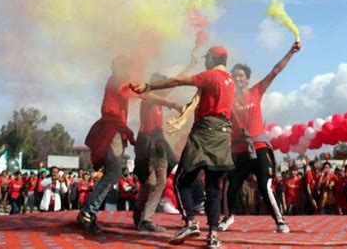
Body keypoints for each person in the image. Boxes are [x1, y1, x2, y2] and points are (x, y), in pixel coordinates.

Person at [130, 45, 235, 249]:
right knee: (213, 187)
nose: (206, 62)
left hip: (204, 133)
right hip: (223, 135)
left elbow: (177, 81)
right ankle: (213, 235)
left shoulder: (209, 76)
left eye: (207, 59)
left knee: (181, 181)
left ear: (213, 59)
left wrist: (149, 86)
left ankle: (190, 222)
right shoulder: (229, 81)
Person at [77, 56, 180, 235]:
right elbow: (142, 94)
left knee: (114, 172)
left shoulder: (120, 81)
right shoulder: (118, 81)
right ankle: (88, 213)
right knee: (115, 172)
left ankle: (89, 213)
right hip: (113, 129)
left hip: (117, 129)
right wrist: (170, 103)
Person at [219, 41, 300, 233]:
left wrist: (291, 52)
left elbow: (275, 71)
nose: (238, 79)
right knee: (231, 186)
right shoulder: (227, 98)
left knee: (265, 186)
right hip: (238, 151)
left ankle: (280, 221)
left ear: (247, 79)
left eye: (241, 76)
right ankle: (228, 217)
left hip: (259, 147)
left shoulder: (256, 91)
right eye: (235, 76)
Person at [134, 55, 197, 231]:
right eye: (159, 85)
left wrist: (189, 66)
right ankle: (139, 212)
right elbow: (155, 97)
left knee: (160, 181)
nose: (162, 89)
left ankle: (146, 219)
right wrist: (174, 104)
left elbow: (175, 82)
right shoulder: (147, 96)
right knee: (150, 183)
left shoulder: (159, 96)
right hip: (146, 142)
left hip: (158, 142)